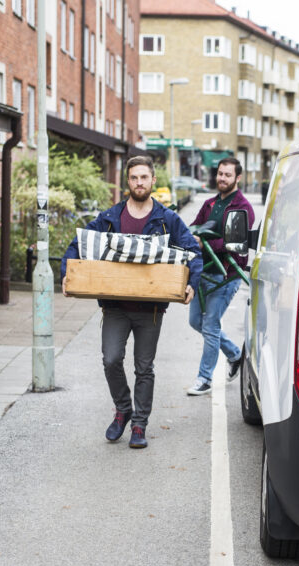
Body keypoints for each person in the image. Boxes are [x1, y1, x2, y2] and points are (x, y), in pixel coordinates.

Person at [61, 156, 202, 449]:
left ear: (153, 181)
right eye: (134, 178)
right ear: (128, 182)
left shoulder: (167, 220)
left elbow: (193, 251)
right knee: (111, 360)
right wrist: (67, 273)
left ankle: (139, 425)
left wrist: (191, 283)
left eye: (144, 177)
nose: (139, 183)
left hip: (150, 309)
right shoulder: (110, 218)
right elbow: (78, 244)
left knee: (144, 367)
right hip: (115, 305)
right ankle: (123, 408)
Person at [186, 157, 256, 396]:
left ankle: (204, 378)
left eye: (227, 175)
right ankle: (236, 355)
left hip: (227, 274)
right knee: (196, 322)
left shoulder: (243, 208)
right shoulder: (209, 204)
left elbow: (233, 242)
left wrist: (204, 242)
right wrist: (190, 236)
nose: (222, 178)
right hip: (203, 272)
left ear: (237, 178)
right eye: (220, 174)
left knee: (210, 325)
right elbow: (194, 227)